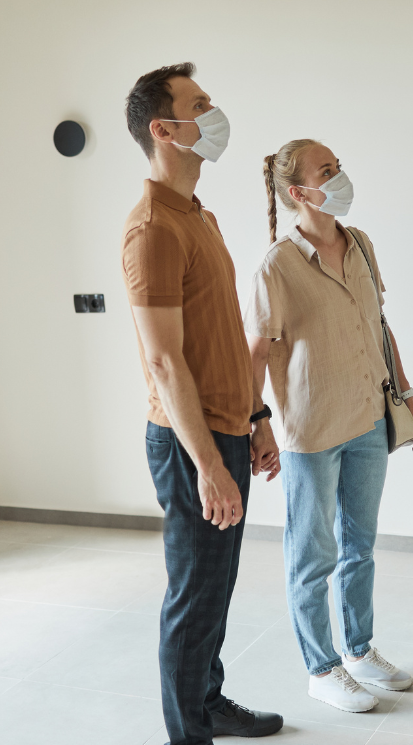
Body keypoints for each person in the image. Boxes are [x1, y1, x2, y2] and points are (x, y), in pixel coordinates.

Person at [121, 62, 284, 741]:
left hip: (224, 427)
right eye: (200, 104)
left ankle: (209, 700)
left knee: (214, 588)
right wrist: (208, 465)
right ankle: (188, 731)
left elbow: (219, 337)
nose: (214, 114)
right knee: (193, 598)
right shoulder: (152, 228)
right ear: (164, 129)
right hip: (191, 442)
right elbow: (163, 361)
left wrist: (255, 416)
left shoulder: (199, 217)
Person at [244, 139, 413, 713]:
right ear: (299, 192)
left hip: (369, 418)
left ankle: (358, 650)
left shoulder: (362, 244)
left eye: (339, 166)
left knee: (360, 546)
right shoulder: (277, 265)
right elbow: (255, 351)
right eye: (328, 171)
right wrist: (259, 424)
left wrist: (409, 401)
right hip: (311, 431)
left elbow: (379, 326)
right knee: (312, 553)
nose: (341, 176)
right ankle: (320, 667)